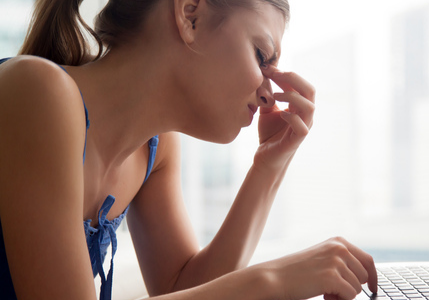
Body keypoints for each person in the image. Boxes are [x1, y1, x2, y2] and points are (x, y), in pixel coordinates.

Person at [0, 0, 378, 299]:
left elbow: (184, 288)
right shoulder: (37, 92)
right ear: (190, 16)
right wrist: (273, 280)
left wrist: (268, 166)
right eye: (262, 56)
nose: (268, 92)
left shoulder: (154, 149)